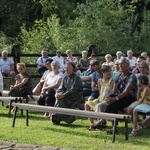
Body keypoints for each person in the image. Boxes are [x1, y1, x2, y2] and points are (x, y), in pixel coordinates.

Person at [91, 57, 137, 129]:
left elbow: (126, 92)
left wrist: (114, 99)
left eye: (122, 64)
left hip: (129, 98)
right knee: (112, 100)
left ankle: (104, 121)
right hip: (119, 97)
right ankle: (112, 126)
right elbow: (114, 90)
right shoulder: (118, 75)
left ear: (128, 65)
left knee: (114, 102)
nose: (120, 66)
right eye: (119, 64)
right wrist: (108, 98)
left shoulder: (132, 76)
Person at [85, 65, 114, 130]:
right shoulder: (100, 81)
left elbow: (112, 92)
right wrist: (98, 99)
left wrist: (105, 99)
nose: (110, 73)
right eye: (108, 71)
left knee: (98, 105)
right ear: (103, 72)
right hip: (101, 99)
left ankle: (99, 124)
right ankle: (92, 124)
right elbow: (100, 92)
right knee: (87, 104)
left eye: (110, 71)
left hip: (107, 100)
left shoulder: (111, 81)